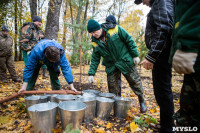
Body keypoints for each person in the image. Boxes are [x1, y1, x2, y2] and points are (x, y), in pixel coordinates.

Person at [87, 19, 147, 113]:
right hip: (111, 65)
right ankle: (116, 106)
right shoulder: (94, 42)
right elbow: (95, 58)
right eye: (91, 33)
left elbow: (129, 40)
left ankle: (141, 100)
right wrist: (91, 73)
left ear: (99, 28)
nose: (93, 35)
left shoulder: (115, 29)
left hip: (124, 60)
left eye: (94, 32)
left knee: (135, 81)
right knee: (113, 87)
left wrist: (135, 55)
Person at [135, 0, 175, 132]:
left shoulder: (161, 2)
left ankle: (168, 128)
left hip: (162, 54)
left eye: (142, 0)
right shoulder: (159, 4)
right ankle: (165, 124)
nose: (143, 3)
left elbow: (164, 29)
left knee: (163, 91)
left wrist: (152, 56)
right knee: (161, 91)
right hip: (162, 53)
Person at [169, 0, 200, 128]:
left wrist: (187, 45)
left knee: (190, 116)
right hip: (193, 55)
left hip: (194, 49)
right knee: (188, 115)